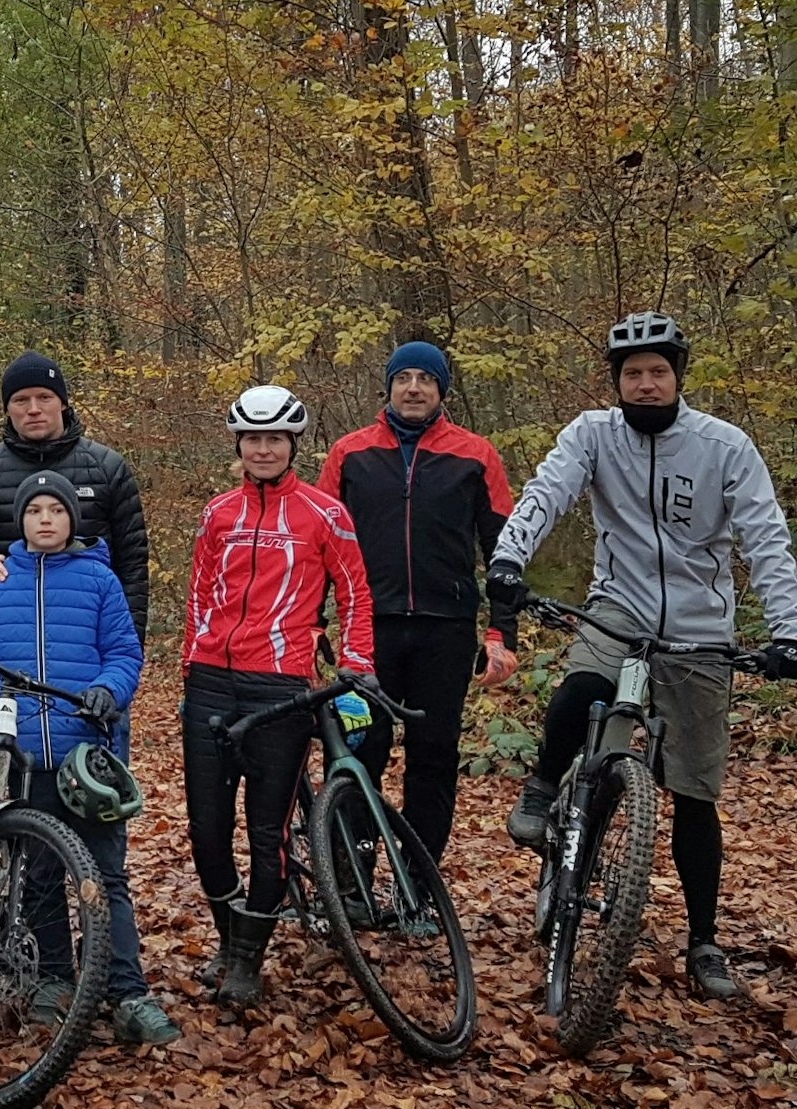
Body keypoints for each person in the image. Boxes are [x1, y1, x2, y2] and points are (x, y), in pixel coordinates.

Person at [488, 312, 797, 1000]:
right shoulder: (593, 434)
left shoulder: (725, 446)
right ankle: (544, 788)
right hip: (619, 602)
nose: (647, 384)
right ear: (617, 381)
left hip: (700, 626)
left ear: (678, 376)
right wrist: (509, 559)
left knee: (693, 791)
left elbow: (766, 538)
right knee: (580, 686)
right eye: (634, 373)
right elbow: (546, 494)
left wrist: (789, 631)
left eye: (658, 371)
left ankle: (704, 940)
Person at [0, 470, 180, 1045]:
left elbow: (125, 652)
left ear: (72, 521)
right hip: (27, 758)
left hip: (90, 756)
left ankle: (127, 990)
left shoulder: (98, 580)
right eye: (35, 512)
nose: (46, 520)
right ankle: (55, 978)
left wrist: (111, 689)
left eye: (57, 510)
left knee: (106, 875)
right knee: (42, 874)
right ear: (21, 520)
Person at [180, 386, 376, 1008]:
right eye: (252, 440)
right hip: (211, 680)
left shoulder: (325, 513)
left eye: (274, 440)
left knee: (267, 833)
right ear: (238, 446)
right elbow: (200, 590)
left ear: (293, 445)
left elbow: (357, 596)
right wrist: (191, 659)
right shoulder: (218, 514)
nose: (263, 450)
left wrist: (356, 665)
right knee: (207, 834)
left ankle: (247, 960)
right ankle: (229, 939)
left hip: (281, 686)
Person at [317, 341, 518, 862]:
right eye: (402, 377)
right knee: (364, 746)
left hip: (446, 629)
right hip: (368, 628)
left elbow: (506, 550)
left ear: (441, 389)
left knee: (433, 755)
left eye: (425, 379)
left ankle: (421, 879)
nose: (413, 388)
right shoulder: (349, 453)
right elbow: (316, 542)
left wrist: (502, 632)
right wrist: (312, 622)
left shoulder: (476, 454)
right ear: (387, 387)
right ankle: (351, 870)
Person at [0, 350, 152, 642]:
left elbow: (133, 567)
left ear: (63, 403)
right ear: (7, 408)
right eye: (20, 400)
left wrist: (128, 649)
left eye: (44, 397)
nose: (34, 409)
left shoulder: (107, 468)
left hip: (89, 640)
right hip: (10, 640)